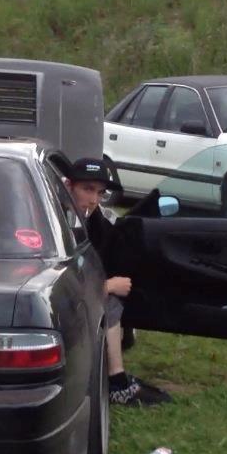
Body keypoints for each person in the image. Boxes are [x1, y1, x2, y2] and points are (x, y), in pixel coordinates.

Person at [65, 158, 171, 407]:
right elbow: (60, 284)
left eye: (100, 193)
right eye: (87, 189)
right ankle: (117, 383)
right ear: (69, 186)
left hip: (81, 301)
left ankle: (116, 375)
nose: (93, 200)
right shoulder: (54, 220)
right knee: (111, 299)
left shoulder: (94, 221)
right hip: (59, 306)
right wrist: (108, 286)